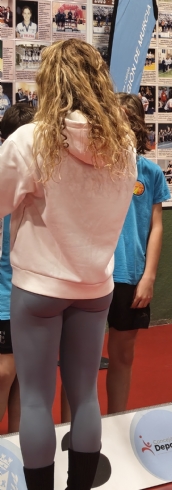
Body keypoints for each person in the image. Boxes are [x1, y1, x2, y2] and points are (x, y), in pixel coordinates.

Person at [0, 39, 136, 489]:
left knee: (36, 400)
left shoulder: (30, 140)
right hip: (96, 286)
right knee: (84, 397)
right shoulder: (124, 144)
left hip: (38, 287)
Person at [106, 94, 170, 414]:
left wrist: (149, 277)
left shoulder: (150, 173)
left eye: (126, 120)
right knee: (81, 359)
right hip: (93, 275)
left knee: (122, 355)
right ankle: (75, 431)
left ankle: (116, 423)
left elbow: (156, 226)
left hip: (130, 275)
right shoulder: (94, 167)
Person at [0, 103, 36, 436]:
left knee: (23, 377)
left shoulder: (41, 176)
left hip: (27, 293)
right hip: (4, 296)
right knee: (4, 374)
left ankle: (15, 451)